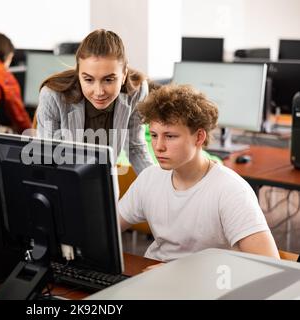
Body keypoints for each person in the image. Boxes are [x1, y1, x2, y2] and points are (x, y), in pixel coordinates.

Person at [119, 84, 279, 262]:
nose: (158, 147)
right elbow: (107, 229)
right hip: (152, 278)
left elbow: (269, 264)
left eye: (170, 136)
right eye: (154, 135)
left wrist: (175, 273)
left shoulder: (231, 191)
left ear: (199, 137)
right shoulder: (150, 178)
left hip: (209, 285)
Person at [36, 29, 153, 174]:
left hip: (105, 183)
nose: (99, 92)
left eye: (109, 79)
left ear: (123, 76)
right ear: (78, 74)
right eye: (88, 79)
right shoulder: (52, 96)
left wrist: (157, 186)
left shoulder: (137, 91)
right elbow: (49, 160)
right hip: (64, 181)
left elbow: (135, 147)